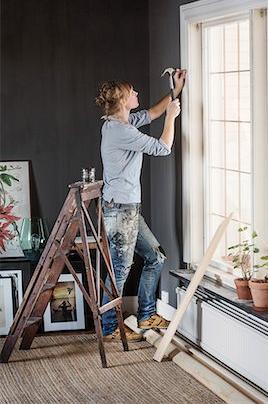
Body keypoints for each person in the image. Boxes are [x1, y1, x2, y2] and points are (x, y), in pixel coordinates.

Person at [95, 69, 186, 342]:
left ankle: (146, 315)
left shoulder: (119, 123)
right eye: (133, 92)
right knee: (120, 271)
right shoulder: (121, 131)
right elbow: (163, 147)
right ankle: (110, 328)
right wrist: (172, 116)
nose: (137, 94)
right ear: (123, 100)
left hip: (127, 208)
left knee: (155, 257)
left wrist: (174, 92)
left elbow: (152, 113)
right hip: (121, 210)